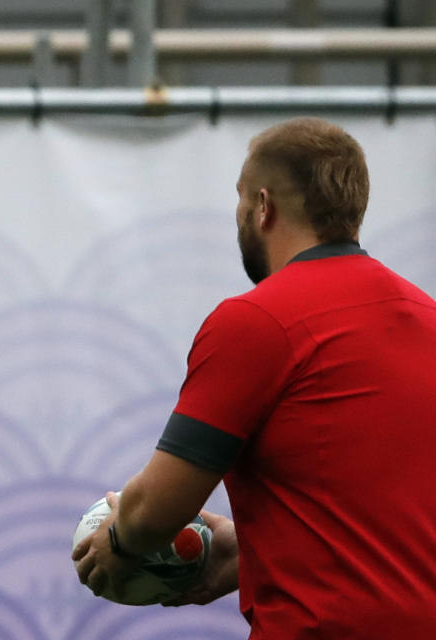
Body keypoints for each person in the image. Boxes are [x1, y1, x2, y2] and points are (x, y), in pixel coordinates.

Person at [73, 117, 436, 638]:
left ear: (263, 207)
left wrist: (120, 543)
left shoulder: (257, 321)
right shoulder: (427, 317)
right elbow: (389, 522)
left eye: (241, 200)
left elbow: (156, 509)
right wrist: (248, 553)